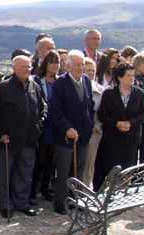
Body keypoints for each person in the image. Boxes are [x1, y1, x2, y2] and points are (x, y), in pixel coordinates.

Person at [0, 55, 46, 219]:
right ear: (14, 68)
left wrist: (39, 126)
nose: (29, 69)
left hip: (29, 139)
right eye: (24, 67)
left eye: (29, 67)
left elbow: (43, 108)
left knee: (24, 172)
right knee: (4, 174)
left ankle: (22, 203)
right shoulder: (3, 88)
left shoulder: (34, 86)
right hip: (8, 140)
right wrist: (0, 134)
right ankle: (5, 204)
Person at [50, 50, 95, 215]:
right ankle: (60, 202)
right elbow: (56, 111)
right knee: (63, 171)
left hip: (83, 135)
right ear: (67, 65)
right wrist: (67, 128)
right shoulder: (60, 83)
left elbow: (90, 106)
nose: (81, 67)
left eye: (83, 64)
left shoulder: (86, 81)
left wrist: (89, 126)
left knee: (79, 169)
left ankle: (77, 200)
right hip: (65, 137)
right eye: (77, 64)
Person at [93, 62, 144, 190]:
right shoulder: (109, 93)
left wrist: (131, 123)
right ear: (120, 77)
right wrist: (116, 123)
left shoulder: (139, 93)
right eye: (128, 75)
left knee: (127, 171)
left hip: (130, 140)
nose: (131, 78)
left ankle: (122, 196)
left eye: (133, 75)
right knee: (109, 169)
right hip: (112, 140)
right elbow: (102, 114)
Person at [30, 50, 60, 204]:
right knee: (40, 159)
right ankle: (33, 188)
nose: (55, 65)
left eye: (57, 62)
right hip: (43, 125)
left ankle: (46, 188)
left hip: (56, 125)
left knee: (51, 160)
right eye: (52, 62)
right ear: (45, 64)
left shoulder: (60, 81)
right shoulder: (36, 80)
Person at [82, 58, 105, 189]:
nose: (91, 73)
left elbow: (103, 112)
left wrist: (96, 127)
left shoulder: (101, 90)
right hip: (78, 132)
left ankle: (86, 190)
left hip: (94, 133)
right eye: (88, 70)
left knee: (90, 165)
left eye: (93, 70)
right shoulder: (77, 88)